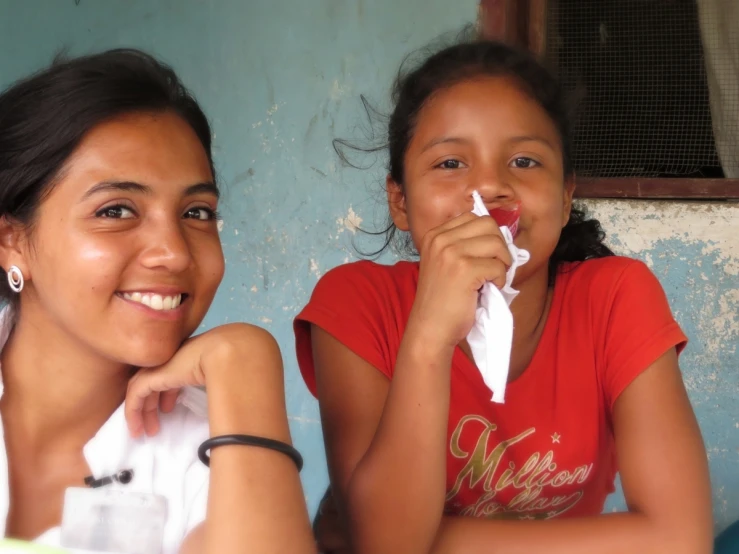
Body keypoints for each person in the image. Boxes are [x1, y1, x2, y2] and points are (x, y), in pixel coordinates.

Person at [294, 39, 713, 553]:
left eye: (524, 160)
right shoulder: (356, 305)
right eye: (450, 163)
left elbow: (679, 539)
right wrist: (427, 338)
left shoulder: (617, 298)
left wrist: (422, 541)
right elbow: (388, 544)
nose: (491, 186)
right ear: (400, 202)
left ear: (564, 199)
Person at [0, 49, 315, 554]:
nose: (173, 252)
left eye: (197, 212)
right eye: (117, 209)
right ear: (12, 241)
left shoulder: (220, 455)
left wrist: (247, 363)